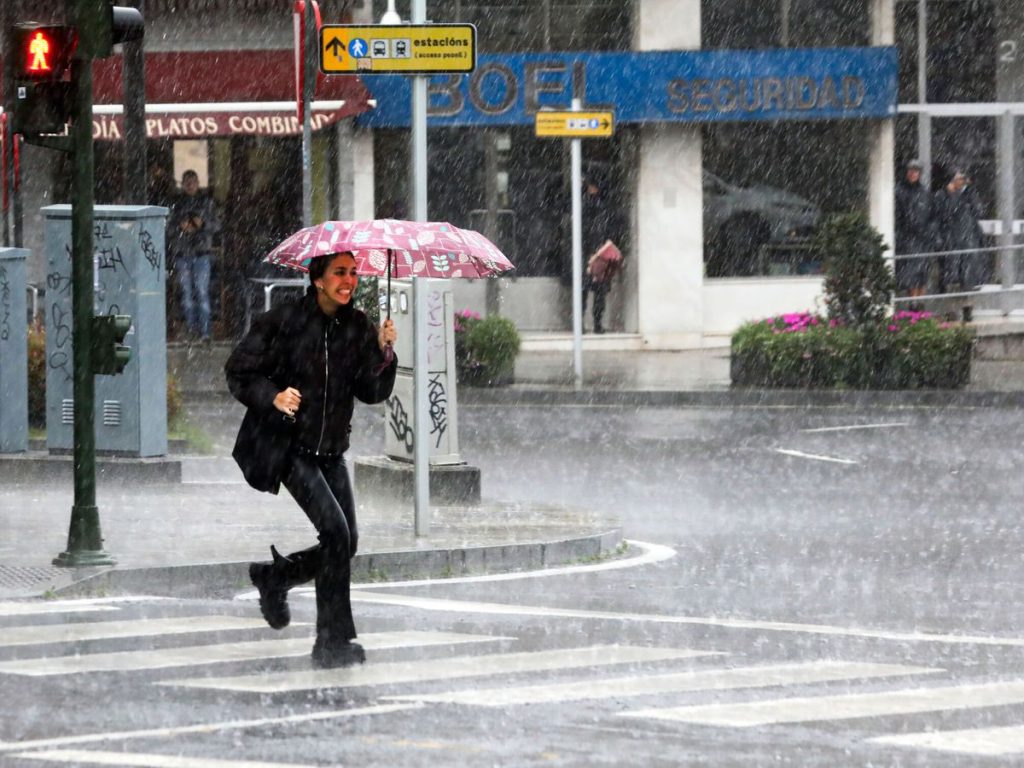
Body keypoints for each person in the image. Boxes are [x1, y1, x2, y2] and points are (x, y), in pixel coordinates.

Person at [225, 251, 397, 669]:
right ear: (317, 278)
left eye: (354, 273)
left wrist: (386, 354)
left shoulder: (358, 328)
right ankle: (332, 642)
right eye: (340, 272)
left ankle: (276, 577)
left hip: (332, 452)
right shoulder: (285, 322)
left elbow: (372, 392)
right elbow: (238, 371)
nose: (349, 280)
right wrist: (274, 396)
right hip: (290, 448)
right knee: (336, 535)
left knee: (346, 544)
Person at [168, 170, 219, 343]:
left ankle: (204, 333)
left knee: (201, 292)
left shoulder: (206, 202)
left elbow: (216, 226)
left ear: (198, 183)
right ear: (182, 184)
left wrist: (202, 224)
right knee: (187, 294)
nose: (190, 185)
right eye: (187, 182)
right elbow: (168, 228)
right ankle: (191, 331)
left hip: (201, 253)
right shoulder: (176, 203)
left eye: (193, 181)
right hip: (183, 254)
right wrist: (180, 227)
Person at [934, 169, 986, 292]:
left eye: (962, 179)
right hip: (950, 239)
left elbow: (979, 211)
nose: (960, 182)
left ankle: (967, 301)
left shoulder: (970, 193)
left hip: (968, 238)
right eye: (957, 179)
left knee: (968, 271)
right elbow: (945, 214)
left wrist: (969, 193)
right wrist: (952, 195)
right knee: (951, 272)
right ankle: (950, 301)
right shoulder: (942, 195)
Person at [894, 159, 936, 298]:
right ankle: (913, 307)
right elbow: (898, 216)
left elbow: (931, 214)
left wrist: (930, 232)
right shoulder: (899, 191)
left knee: (922, 274)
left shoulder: (924, 192)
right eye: (911, 171)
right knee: (910, 275)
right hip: (907, 239)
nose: (913, 174)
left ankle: (920, 307)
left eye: (916, 171)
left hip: (923, 239)